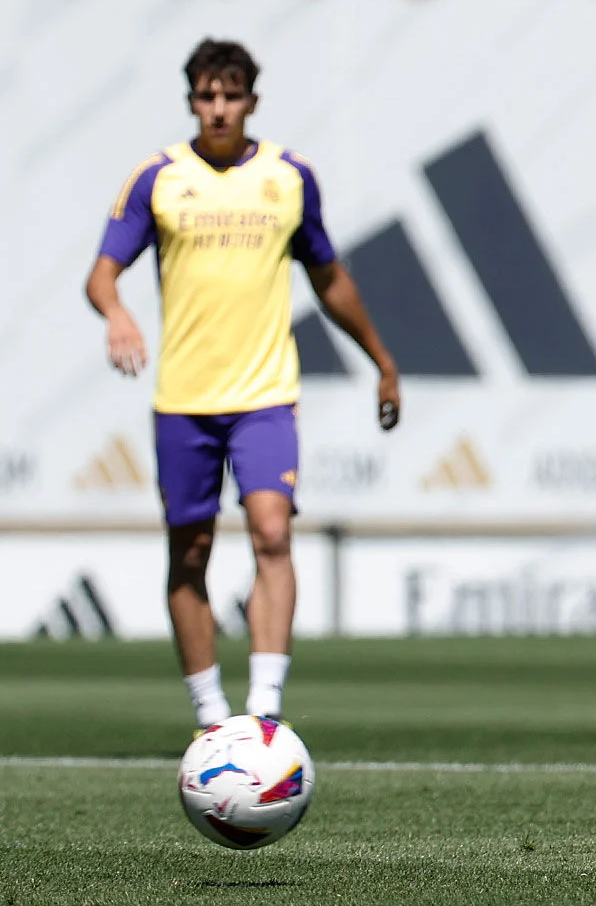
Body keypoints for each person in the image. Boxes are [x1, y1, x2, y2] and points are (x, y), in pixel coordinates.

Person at [86, 39, 400, 732]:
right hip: (184, 403)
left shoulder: (289, 178)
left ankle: (262, 713)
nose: (218, 108)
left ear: (252, 101)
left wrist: (381, 359)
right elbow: (102, 274)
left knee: (271, 534)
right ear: (192, 101)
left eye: (231, 96)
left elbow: (331, 280)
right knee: (191, 552)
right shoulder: (159, 179)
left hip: (264, 397)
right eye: (206, 96)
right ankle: (207, 714)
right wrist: (117, 317)